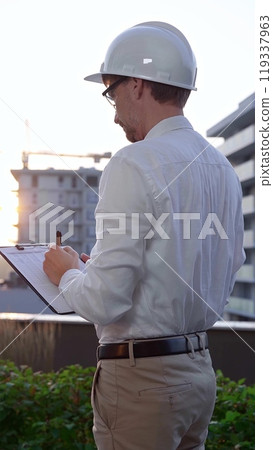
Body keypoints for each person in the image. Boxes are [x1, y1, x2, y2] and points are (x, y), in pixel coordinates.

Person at [43, 21, 245, 450]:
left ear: (136, 85)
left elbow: (104, 301)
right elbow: (226, 265)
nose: (113, 110)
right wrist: (91, 269)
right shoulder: (222, 169)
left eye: (111, 92)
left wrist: (65, 273)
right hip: (198, 375)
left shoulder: (134, 163)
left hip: (143, 383)